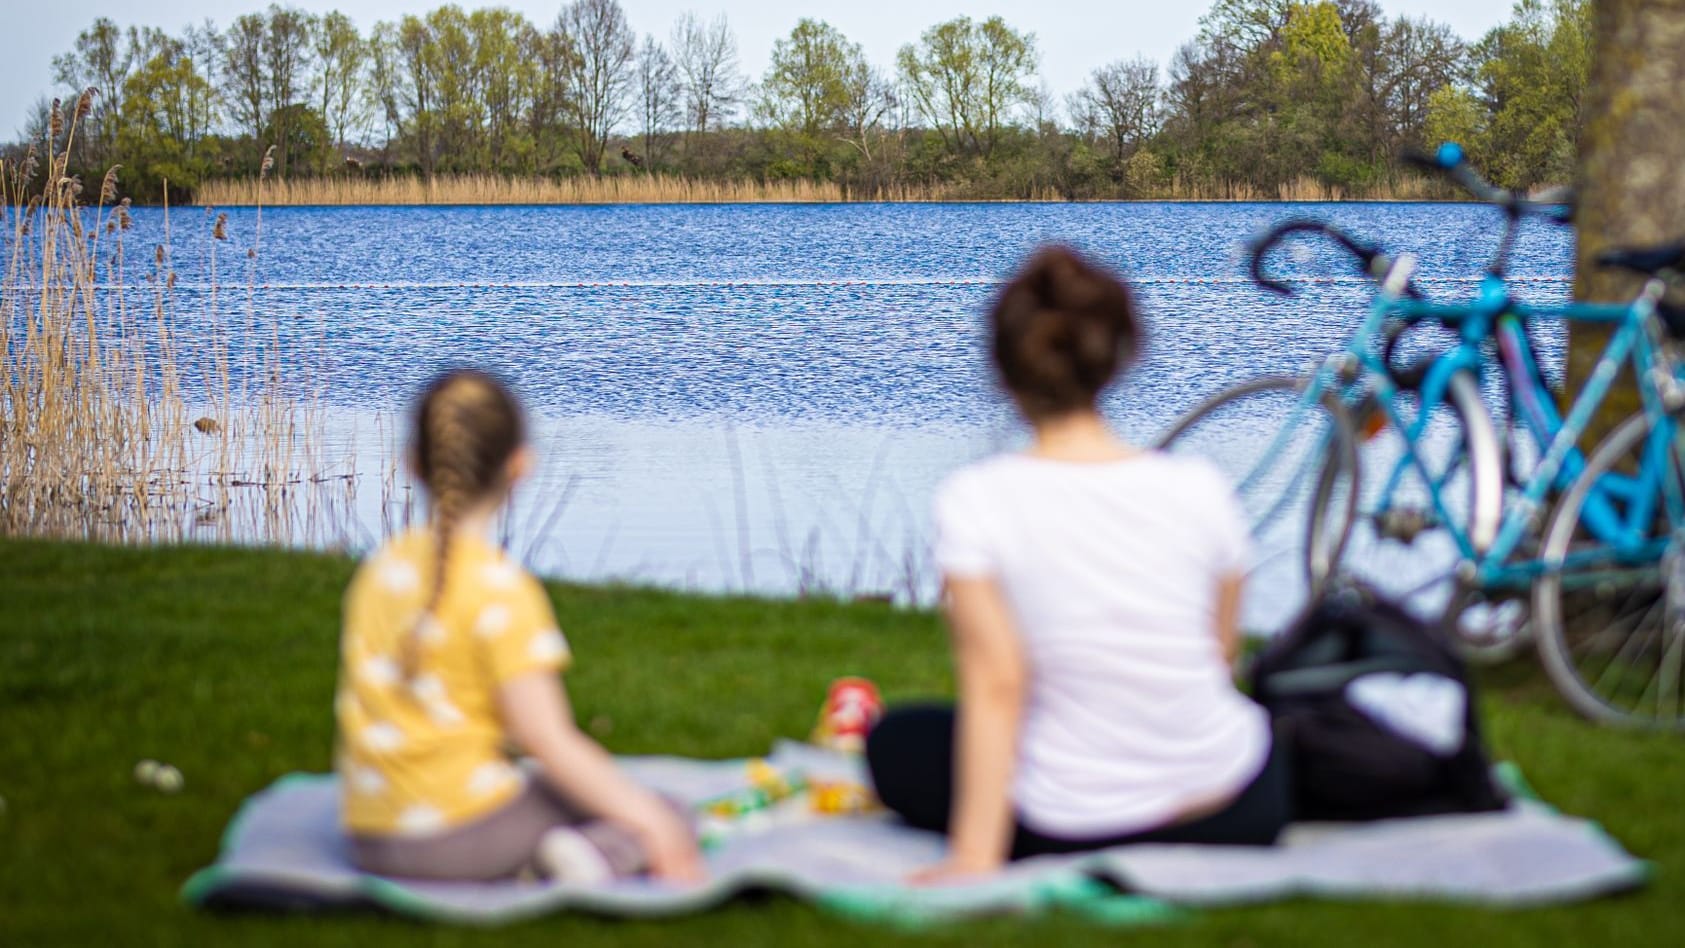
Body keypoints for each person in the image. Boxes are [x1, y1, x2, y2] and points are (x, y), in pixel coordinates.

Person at [865, 246, 1289, 881]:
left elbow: (999, 684)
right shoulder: (1202, 488)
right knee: (1261, 728)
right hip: (1234, 802)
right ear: (1122, 357)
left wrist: (975, 856)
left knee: (895, 741)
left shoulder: (977, 499)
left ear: (1003, 370)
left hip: (1068, 815)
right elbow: (1214, 657)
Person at [333, 369, 702, 884]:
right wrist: (653, 822)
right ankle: (586, 859)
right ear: (520, 465)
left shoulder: (379, 572)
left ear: (412, 464)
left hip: (368, 836)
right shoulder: (502, 590)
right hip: (455, 842)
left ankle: (554, 852)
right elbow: (547, 740)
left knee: (581, 796)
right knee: (663, 812)